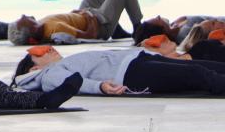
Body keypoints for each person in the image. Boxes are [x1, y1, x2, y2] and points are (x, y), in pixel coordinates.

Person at [12, 43, 225, 96]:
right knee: (197, 74)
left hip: (138, 60)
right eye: (41, 52)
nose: (50, 48)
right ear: (33, 68)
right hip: (131, 74)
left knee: (205, 66)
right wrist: (100, 86)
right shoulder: (48, 73)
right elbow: (68, 83)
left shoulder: (58, 65)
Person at [7, 0, 143, 46]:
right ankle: (139, 28)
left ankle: (117, 31)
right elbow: (89, 36)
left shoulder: (43, 25)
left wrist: (76, 14)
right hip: (100, 23)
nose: (23, 15)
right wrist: (89, 18)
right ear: (32, 36)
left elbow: (65, 20)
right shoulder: (55, 30)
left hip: (84, 14)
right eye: (23, 20)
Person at [134, 15, 225, 46]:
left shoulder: (175, 24)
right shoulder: (185, 35)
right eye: (158, 19)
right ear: (162, 30)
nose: (159, 16)